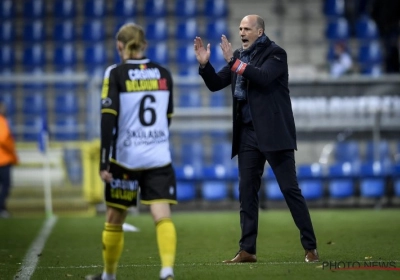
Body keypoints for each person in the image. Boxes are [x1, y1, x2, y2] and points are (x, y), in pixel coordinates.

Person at [193, 15, 319, 263]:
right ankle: (247, 250)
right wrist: (205, 66)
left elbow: (261, 77)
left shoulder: (276, 54)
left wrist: (232, 61)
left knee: (289, 190)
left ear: (259, 32)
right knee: (247, 192)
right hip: (248, 134)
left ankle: (311, 247)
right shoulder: (240, 55)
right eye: (240, 28)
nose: (242, 32)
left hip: (274, 133)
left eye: (247, 28)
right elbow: (216, 83)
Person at [86, 23, 177, 280]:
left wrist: (104, 161)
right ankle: (167, 270)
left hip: (126, 159)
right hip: (158, 156)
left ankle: (109, 275)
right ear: (144, 45)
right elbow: (167, 116)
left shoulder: (115, 73)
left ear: (119, 47)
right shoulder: (164, 73)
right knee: (162, 215)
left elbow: (108, 118)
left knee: (114, 217)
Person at [0, 102, 18, 218]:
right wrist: (11, 150)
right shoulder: (2, 121)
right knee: (6, 185)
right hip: (3, 159)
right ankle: (1, 209)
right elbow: (3, 139)